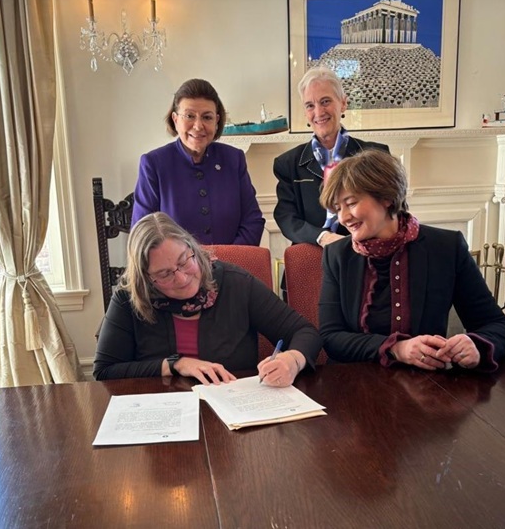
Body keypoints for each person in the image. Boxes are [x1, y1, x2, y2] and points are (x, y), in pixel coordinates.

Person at [317, 149, 505, 372]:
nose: (343, 218)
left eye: (351, 203)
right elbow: (330, 337)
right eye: (338, 208)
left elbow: (496, 324)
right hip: (355, 383)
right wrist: (396, 348)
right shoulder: (337, 255)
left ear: (387, 197)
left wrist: (476, 345)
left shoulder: (446, 247)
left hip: (428, 384)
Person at [94, 212, 321, 385]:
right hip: (162, 414)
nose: (182, 278)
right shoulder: (128, 297)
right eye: (164, 274)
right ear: (145, 278)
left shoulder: (235, 282)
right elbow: (105, 371)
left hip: (234, 411)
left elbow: (304, 332)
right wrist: (175, 365)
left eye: (185, 261)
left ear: (194, 248)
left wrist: (292, 360)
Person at [132, 78, 265, 246]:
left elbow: (252, 221)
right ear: (175, 119)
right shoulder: (154, 164)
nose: (198, 125)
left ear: (217, 121)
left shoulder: (234, 159)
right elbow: (142, 234)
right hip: (177, 270)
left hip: (232, 267)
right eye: (189, 116)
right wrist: (188, 265)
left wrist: (228, 262)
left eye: (207, 117)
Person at [273, 67, 390, 248]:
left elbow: (390, 212)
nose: (319, 112)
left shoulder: (375, 156)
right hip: (310, 258)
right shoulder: (288, 163)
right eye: (310, 105)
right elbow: (286, 218)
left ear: (343, 103)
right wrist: (323, 237)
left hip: (364, 255)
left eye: (325, 101)